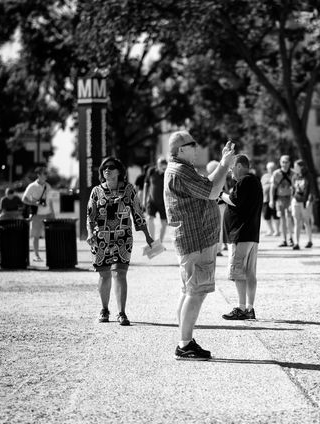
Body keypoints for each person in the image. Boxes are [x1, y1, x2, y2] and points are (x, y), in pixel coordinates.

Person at [164, 130, 236, 360]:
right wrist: (225, 164)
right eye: (192, 144)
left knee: (190, 291)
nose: (197, 147)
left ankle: (185, 340)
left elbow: (207, 187)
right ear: (181, 149)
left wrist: (222, 166)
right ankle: (184, 345)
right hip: (196, 240)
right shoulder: (179, 171)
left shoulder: (181, 170)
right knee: (196, 292)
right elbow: (212, 190)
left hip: (194, 240)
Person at [86, 157, 153, 326]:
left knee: (120, 273)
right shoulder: (96, 191)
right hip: (101, 237)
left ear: (119, 171)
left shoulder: (128, 190)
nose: (106, 170)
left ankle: (122, 312)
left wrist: (147, 235)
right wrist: (89, 233)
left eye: (111, 167)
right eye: (104, 168)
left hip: (123, 237)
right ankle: (104, 309)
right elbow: (90, 216)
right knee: (104, 274)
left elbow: (137, 212)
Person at [220, 154, 263, 320]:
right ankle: (250, 308)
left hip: (241, 234)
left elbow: (234, 200)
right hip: (251, 234)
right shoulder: (255, 181)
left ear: (239, 166)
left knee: (238, 272)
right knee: (250, 273)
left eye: (231, 168)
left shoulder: (244, 181)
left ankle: (241, 308)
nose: (230, 171)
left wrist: (221, 195)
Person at [23, 166, 55, 262]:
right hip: (37, 214)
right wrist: (34, 203)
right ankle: (36, 255)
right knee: (36, 235)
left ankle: (51, 255)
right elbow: (24, 199)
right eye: (44, 174)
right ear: (39, 175)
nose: (46, 175)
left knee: (50, 236)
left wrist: (53, 213)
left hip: (48, 213)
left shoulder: (48, 186)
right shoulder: (32, 186)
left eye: (46, 173)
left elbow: (50, 201)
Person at [270, 155, 295, 247]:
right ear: (280, 162)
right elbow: (272, 188)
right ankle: (284, 239)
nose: (285, 164)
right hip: (280, 198)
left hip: (290, 198)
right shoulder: (276, 173)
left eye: (286, 162)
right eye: (283, 162)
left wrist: (293, 200)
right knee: (282, 219)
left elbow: (295, 188)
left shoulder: (293, 173)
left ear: (289, 163)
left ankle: (291, 238)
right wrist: (271, 200)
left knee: (290, 219)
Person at [143, 157, 169, 243]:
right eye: (162, 167)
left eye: (165, 167)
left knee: (164, 223)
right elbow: (146, 185)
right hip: (152, 201)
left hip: (163, 202)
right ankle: (152, 240)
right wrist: (144, 199)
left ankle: (160, 241)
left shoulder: (168, 174)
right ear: (158, 165)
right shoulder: (151, 171)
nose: (164, 169)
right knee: (149, 219)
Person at [290, 159, 314, 250]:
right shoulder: (294, 177)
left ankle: (309, 240)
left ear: (301, 167)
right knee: (297, 222)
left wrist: (309, 200)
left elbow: (311, 189)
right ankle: (296, 243)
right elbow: (292, 190)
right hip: (296, 201)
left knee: (306, 221)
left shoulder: (308, 176)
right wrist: (291, 201)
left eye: (296, 166)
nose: (294, 168)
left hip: (305, 202)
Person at [260, 161, 280, 236]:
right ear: (267, 169)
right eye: (270, 168)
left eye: (273, 168)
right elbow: (261, 186)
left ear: (275, 168)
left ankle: (277, 231)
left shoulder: (277, 175)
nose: (271, 169)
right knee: (266, 216)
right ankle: (271, 230)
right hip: (265, 199)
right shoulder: (264, 176)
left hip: (275, 198)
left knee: (276, 215)